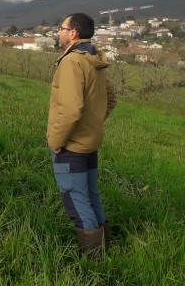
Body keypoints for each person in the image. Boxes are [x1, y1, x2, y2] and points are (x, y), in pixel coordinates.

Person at [47, 13, 116, 258]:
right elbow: (110, 99)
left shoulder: (72, 62)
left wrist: (55, 142)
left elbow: (70, 109)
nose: (58, 32)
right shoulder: (94, 58)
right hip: (90, 141)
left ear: (73, 33)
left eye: (61, 28)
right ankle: (107, 248)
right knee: (91, 195)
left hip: (72, 146)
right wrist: (93, 123)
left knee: (77, 200)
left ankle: (94, 260)